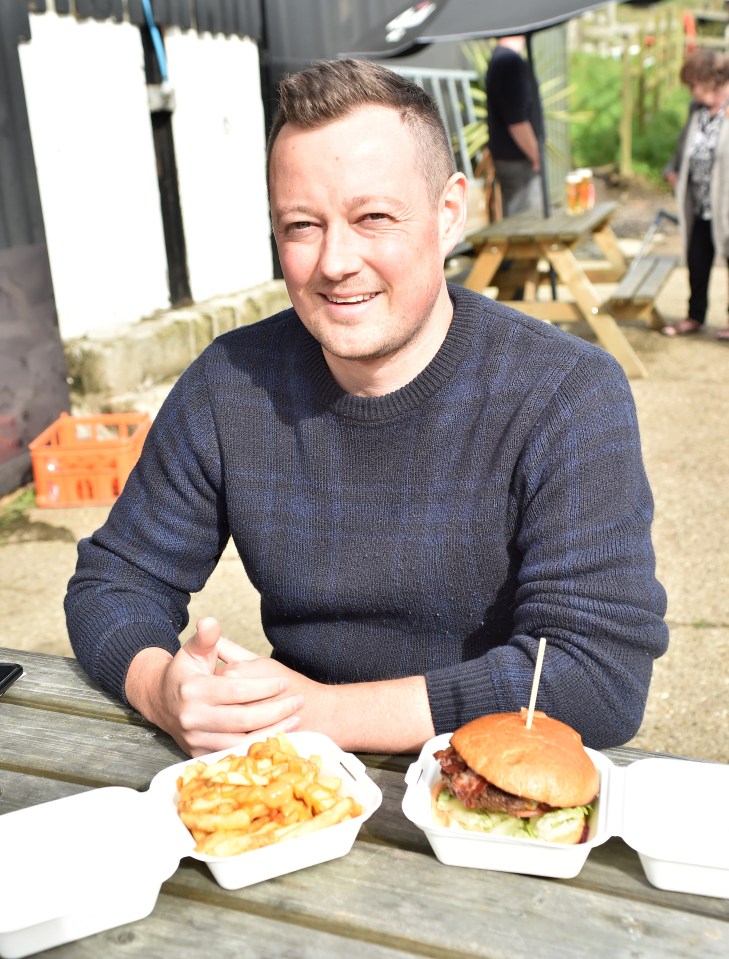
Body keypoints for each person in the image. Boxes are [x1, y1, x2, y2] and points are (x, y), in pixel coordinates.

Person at [65, 58, 668, 758]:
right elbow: (114, 581)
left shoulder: (565, 392)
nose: (334, 261)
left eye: (372, 217)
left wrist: (316, 713)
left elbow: (595, 678)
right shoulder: (228, 384)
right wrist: (161, 689)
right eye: (301, 226)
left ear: (448, 214)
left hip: (493, 790)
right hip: (295, 790)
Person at [661, 49, 729, 339]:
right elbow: (682, 146)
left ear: (709, 80)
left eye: (693, 84)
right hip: (699, 204)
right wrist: (672, 169)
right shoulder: (696, 110)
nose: (691, 90)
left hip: (725, 204)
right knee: (697, 260)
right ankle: (694, 316)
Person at [484, 36, 544, 216]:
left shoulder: (499, 59)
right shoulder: (511, 62)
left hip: (509, 157)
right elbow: (517, 121)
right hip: (519, 159)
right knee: (527, 224)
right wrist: (535, 155)